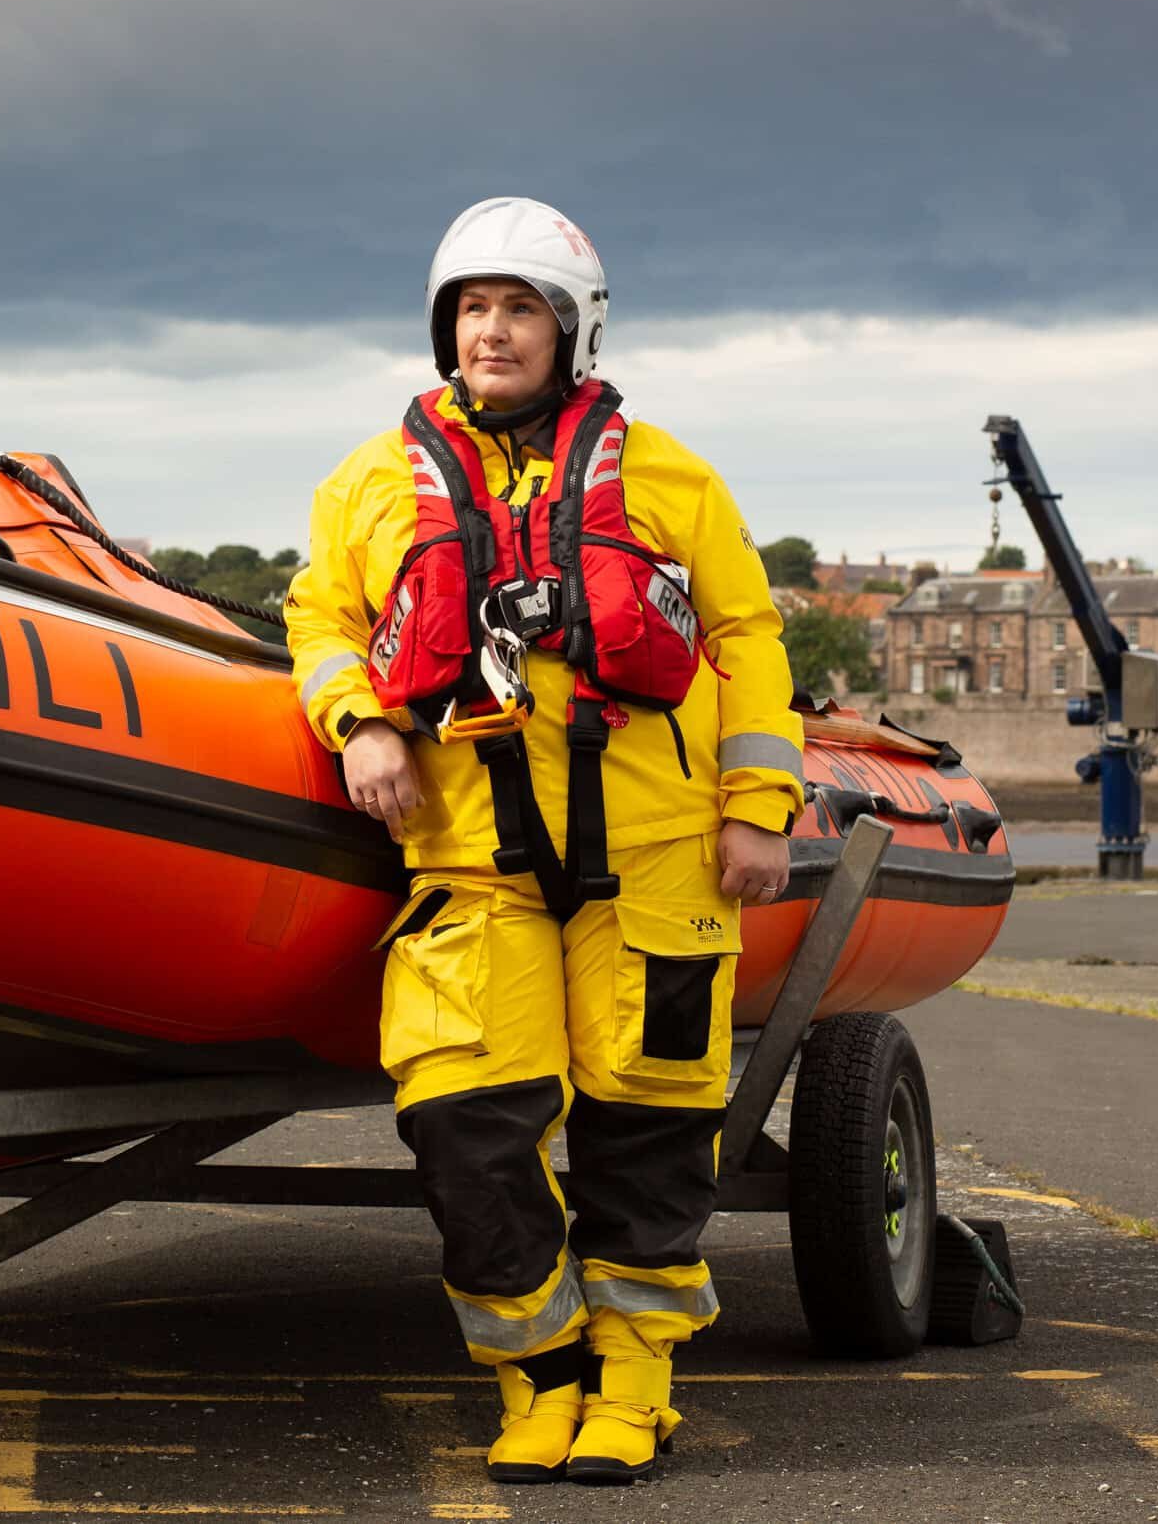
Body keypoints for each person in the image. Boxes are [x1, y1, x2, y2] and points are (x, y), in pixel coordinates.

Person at [284, 196, 804, 1487]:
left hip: (658, 859)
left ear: (573, 332)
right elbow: (323, 624)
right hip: (472, 865)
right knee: (464, 1123)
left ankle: (635, 1384)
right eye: (473, 309)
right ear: (442, 328)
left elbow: (745, 641)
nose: (493, 332)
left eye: (521, 309)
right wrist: (362, 725)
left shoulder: (672, 476)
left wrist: (757, 808)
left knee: (647, 1130)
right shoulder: (365, 487)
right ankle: (542, 1371)